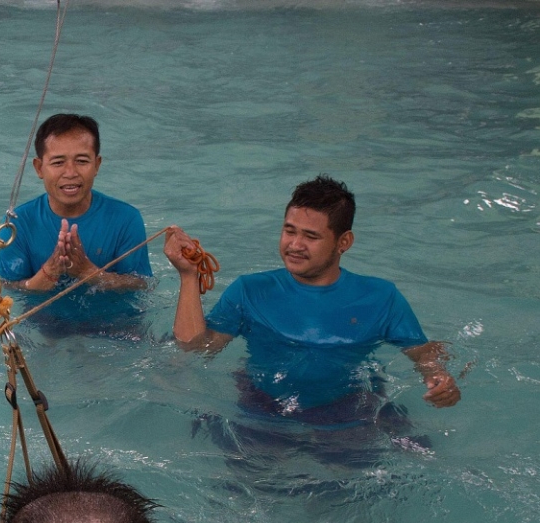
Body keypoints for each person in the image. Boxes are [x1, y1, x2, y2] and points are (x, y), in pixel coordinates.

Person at [164, 175, 460, 426]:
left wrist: (439, 378)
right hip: (264, 404)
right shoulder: (250, 291)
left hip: (349, 407)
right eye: (289, 230)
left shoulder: (380, 298)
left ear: (343, 242)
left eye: (310, 236)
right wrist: (188, 277)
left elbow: (423, 353)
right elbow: (194, 349)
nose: (295, 245)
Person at [0, 113, 152, 294]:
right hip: (43, 322)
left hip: (116, 322)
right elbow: (9, 289)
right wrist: (50, 271)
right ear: (39, 168)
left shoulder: (126, 219)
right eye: (58, 162)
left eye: (81, 161)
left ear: (97, 165)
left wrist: (87, 271)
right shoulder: (17, 225)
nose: (70, 172)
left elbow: (142, 285)